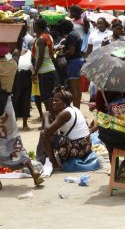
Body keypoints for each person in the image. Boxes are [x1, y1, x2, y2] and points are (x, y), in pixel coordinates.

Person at [0, 43, 44, 189]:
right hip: (6, 106)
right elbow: (16, 53)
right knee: (14, 139)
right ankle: (33, 173)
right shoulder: (12, 64)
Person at [40, 86, 91, 169]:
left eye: (57, 100)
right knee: (55, 133)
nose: (54, 102)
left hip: (79, 148)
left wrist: (45, 117)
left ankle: (54, 164)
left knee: (43, 134)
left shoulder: (65, 113)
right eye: (53, 100)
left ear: (65, 103)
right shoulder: (74, 109)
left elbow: (47, 131)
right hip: (86, 144)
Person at [32, 18, 57, 124]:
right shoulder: (48, 37)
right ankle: (52, 119)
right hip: (50, 69)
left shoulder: (41, 39)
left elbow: (40, 58)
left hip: (44, 71)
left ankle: (51, 120)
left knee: (47, 98)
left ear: (37, 26)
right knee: (50, 96)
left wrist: (35, 72)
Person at [57, 20, 84, 108]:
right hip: (78, 60)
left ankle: (76, 108)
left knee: (74, 87)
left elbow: (71, 51)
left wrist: (61, 55)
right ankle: (77, 107)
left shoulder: (71, 36)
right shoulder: (75, 34)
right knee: (77, 87)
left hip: (74, 61)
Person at [12, 46, 33, 131]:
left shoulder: (29, 52)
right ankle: (14, 123)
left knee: (26, 100)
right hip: (15, 76)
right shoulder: (12, 52)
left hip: (27, 75)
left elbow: (34, 62)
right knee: (15, 100)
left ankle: (25, 123)